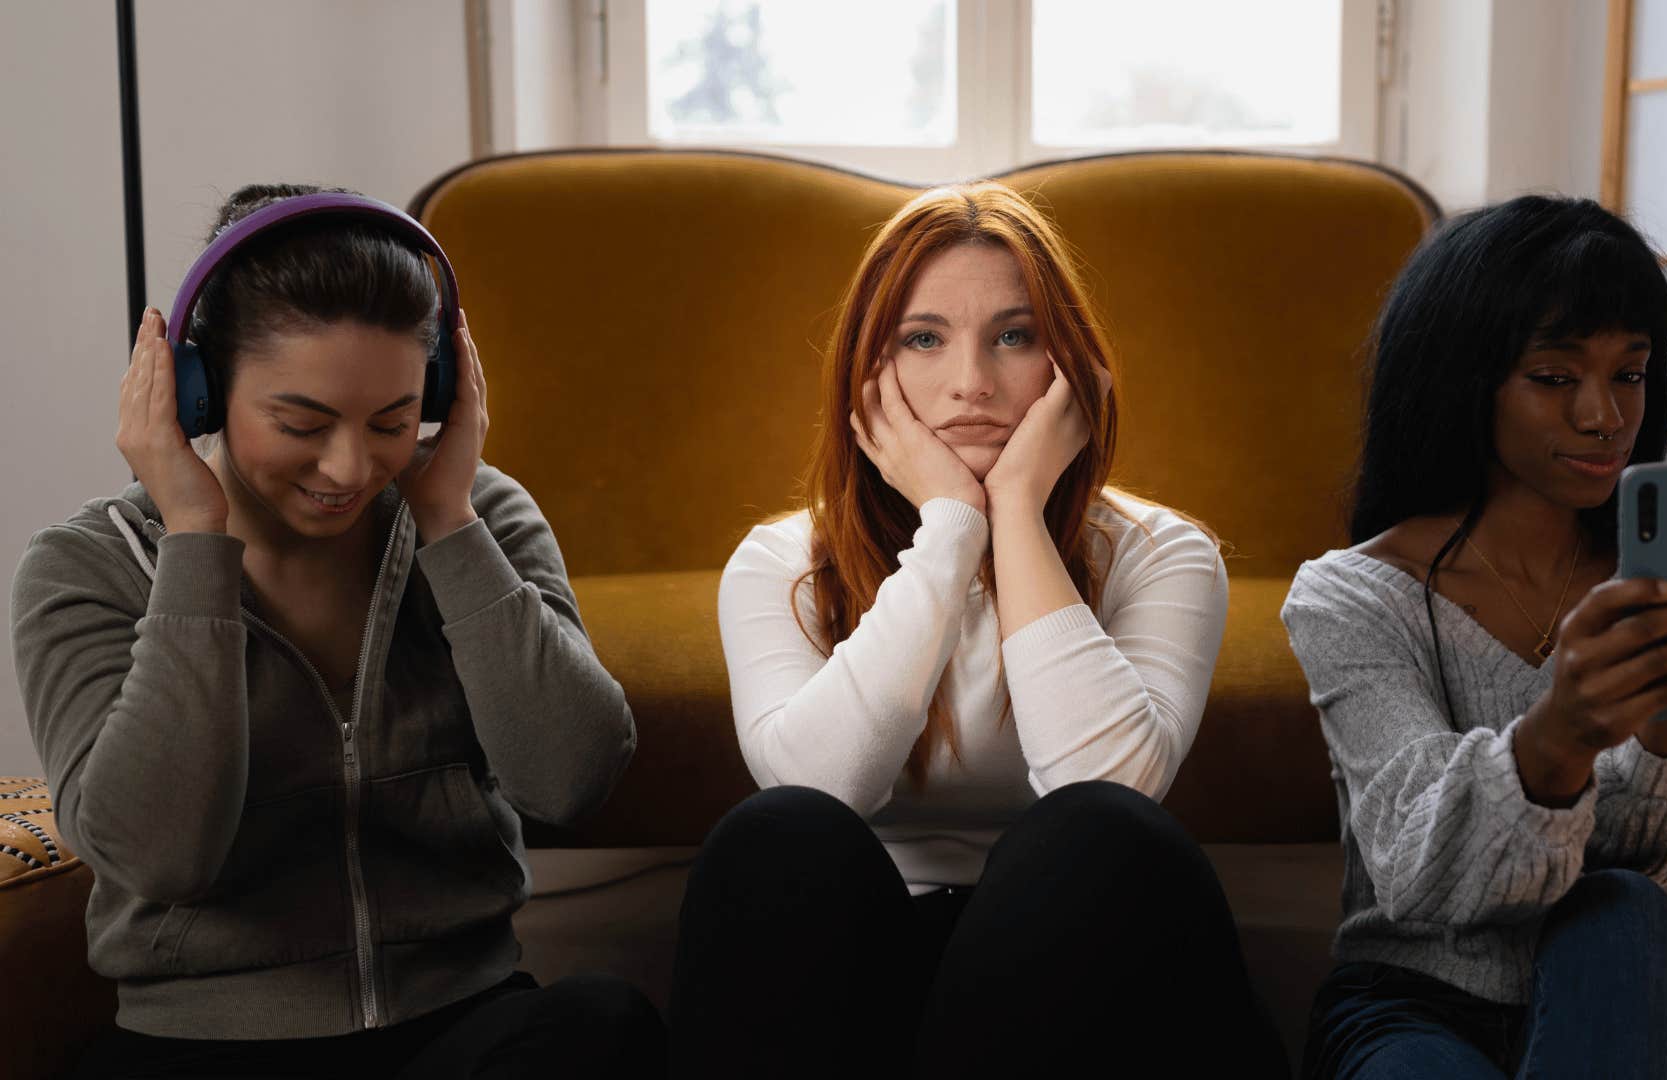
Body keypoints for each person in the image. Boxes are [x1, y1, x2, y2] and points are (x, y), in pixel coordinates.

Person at [11, 184, 657, 1077]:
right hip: (199, 1045)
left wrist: (452, 529)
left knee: (603, 1025)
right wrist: (196, 544)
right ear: (196, 393)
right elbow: (160, 857)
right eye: (302, 423)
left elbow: (569, 779)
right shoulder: (89, 567)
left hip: (458, 1019)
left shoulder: (479, 517)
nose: (351, 467)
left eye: (393, 421)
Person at [672, 181, 1279, 1076]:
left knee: (1100, 832)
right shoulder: (780, 564)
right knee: (775, 836)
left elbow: (1107, 785)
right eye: (924, 339)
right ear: (866, 374)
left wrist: (1019, 511)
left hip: (1085, 962)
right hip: (862, 956)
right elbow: (815, 788)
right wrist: (952, 526)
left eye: (1015, 336)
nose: (972, 384)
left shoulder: (1162, 554)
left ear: (1067, 367)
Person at [1281, 194, 1667, 1079]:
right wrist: (1560, 735)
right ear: (1463, 379)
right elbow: (1419, 875)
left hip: (1619, 991)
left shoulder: (1648, 581)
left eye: (1630, 372)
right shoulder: (1351, 597)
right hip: (1412, 1000)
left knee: (1622, 909)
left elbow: (1661, 855)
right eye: (1554, 377)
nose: (1604, 416)